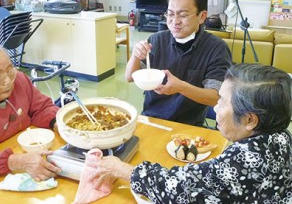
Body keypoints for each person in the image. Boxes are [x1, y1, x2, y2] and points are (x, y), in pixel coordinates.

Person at [93, 63, 292, 203]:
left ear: (250, 120)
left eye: (222, 101)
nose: (215, 108)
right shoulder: (282, 137)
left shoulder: (245, 160)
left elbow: (180, 188)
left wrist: (123, 170)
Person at [126, 0, 232, 126]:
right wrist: (135, 56)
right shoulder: (156, 40)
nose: (175, 21)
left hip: (190, 125)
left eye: (182, 15)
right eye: (170, 14)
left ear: (201, 17)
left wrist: (181, 87)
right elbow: (130, 77)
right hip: (151, 120)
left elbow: (216, 97)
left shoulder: (216, 48)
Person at [0, 42, 61, 181]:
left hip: (34, 154)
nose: (8, 81)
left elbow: (42, 108)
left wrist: (57, 124)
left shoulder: (19, 80)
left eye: (9, 70)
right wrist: (18, 162)